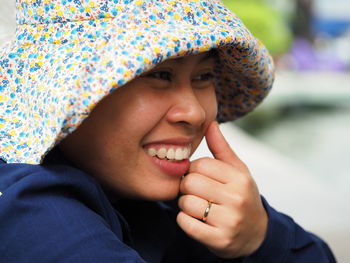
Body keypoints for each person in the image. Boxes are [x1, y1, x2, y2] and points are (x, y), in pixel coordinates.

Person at [0, 0, 336, 262]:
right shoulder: (33, 215)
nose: (194, 112)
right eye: (160, 75)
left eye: (203, 77)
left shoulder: (155, 203)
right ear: (66, 91)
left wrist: (261, 233)